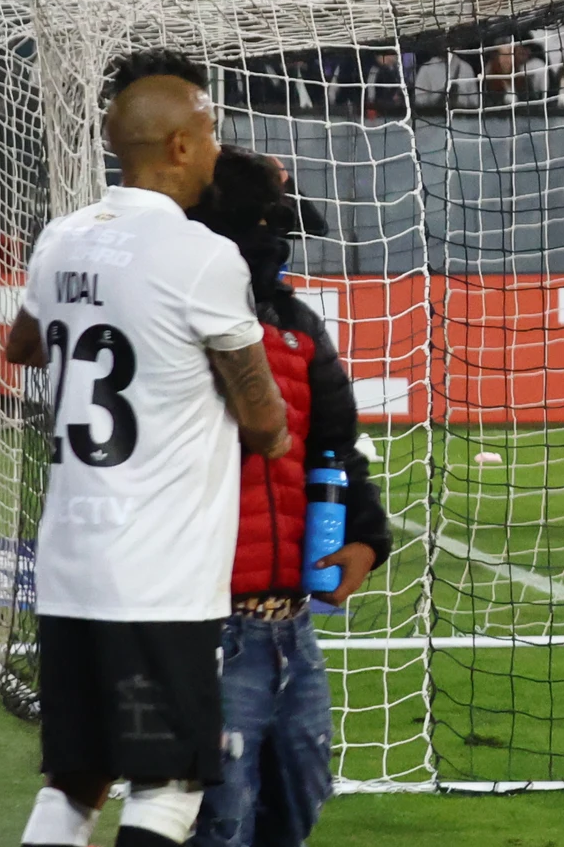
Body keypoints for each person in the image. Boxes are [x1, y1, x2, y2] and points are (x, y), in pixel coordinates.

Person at [6, 50, 289, 847]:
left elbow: (22, 344)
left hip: (68, 572)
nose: (213, 151)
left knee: (74, 781)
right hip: (159, 577)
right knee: (168, 788)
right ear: (176, 146)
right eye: (207, 134)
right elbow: (264, 422)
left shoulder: (60, 238)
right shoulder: (203, 256)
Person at [185, 147, 390, 847]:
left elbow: (336, 440)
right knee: (223, 819)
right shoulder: (176, 321)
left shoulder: (298, 323)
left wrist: (367, 535)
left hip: (290, 622)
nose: (280, 245)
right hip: (207, 618)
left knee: (299, 795)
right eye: (270, 225)